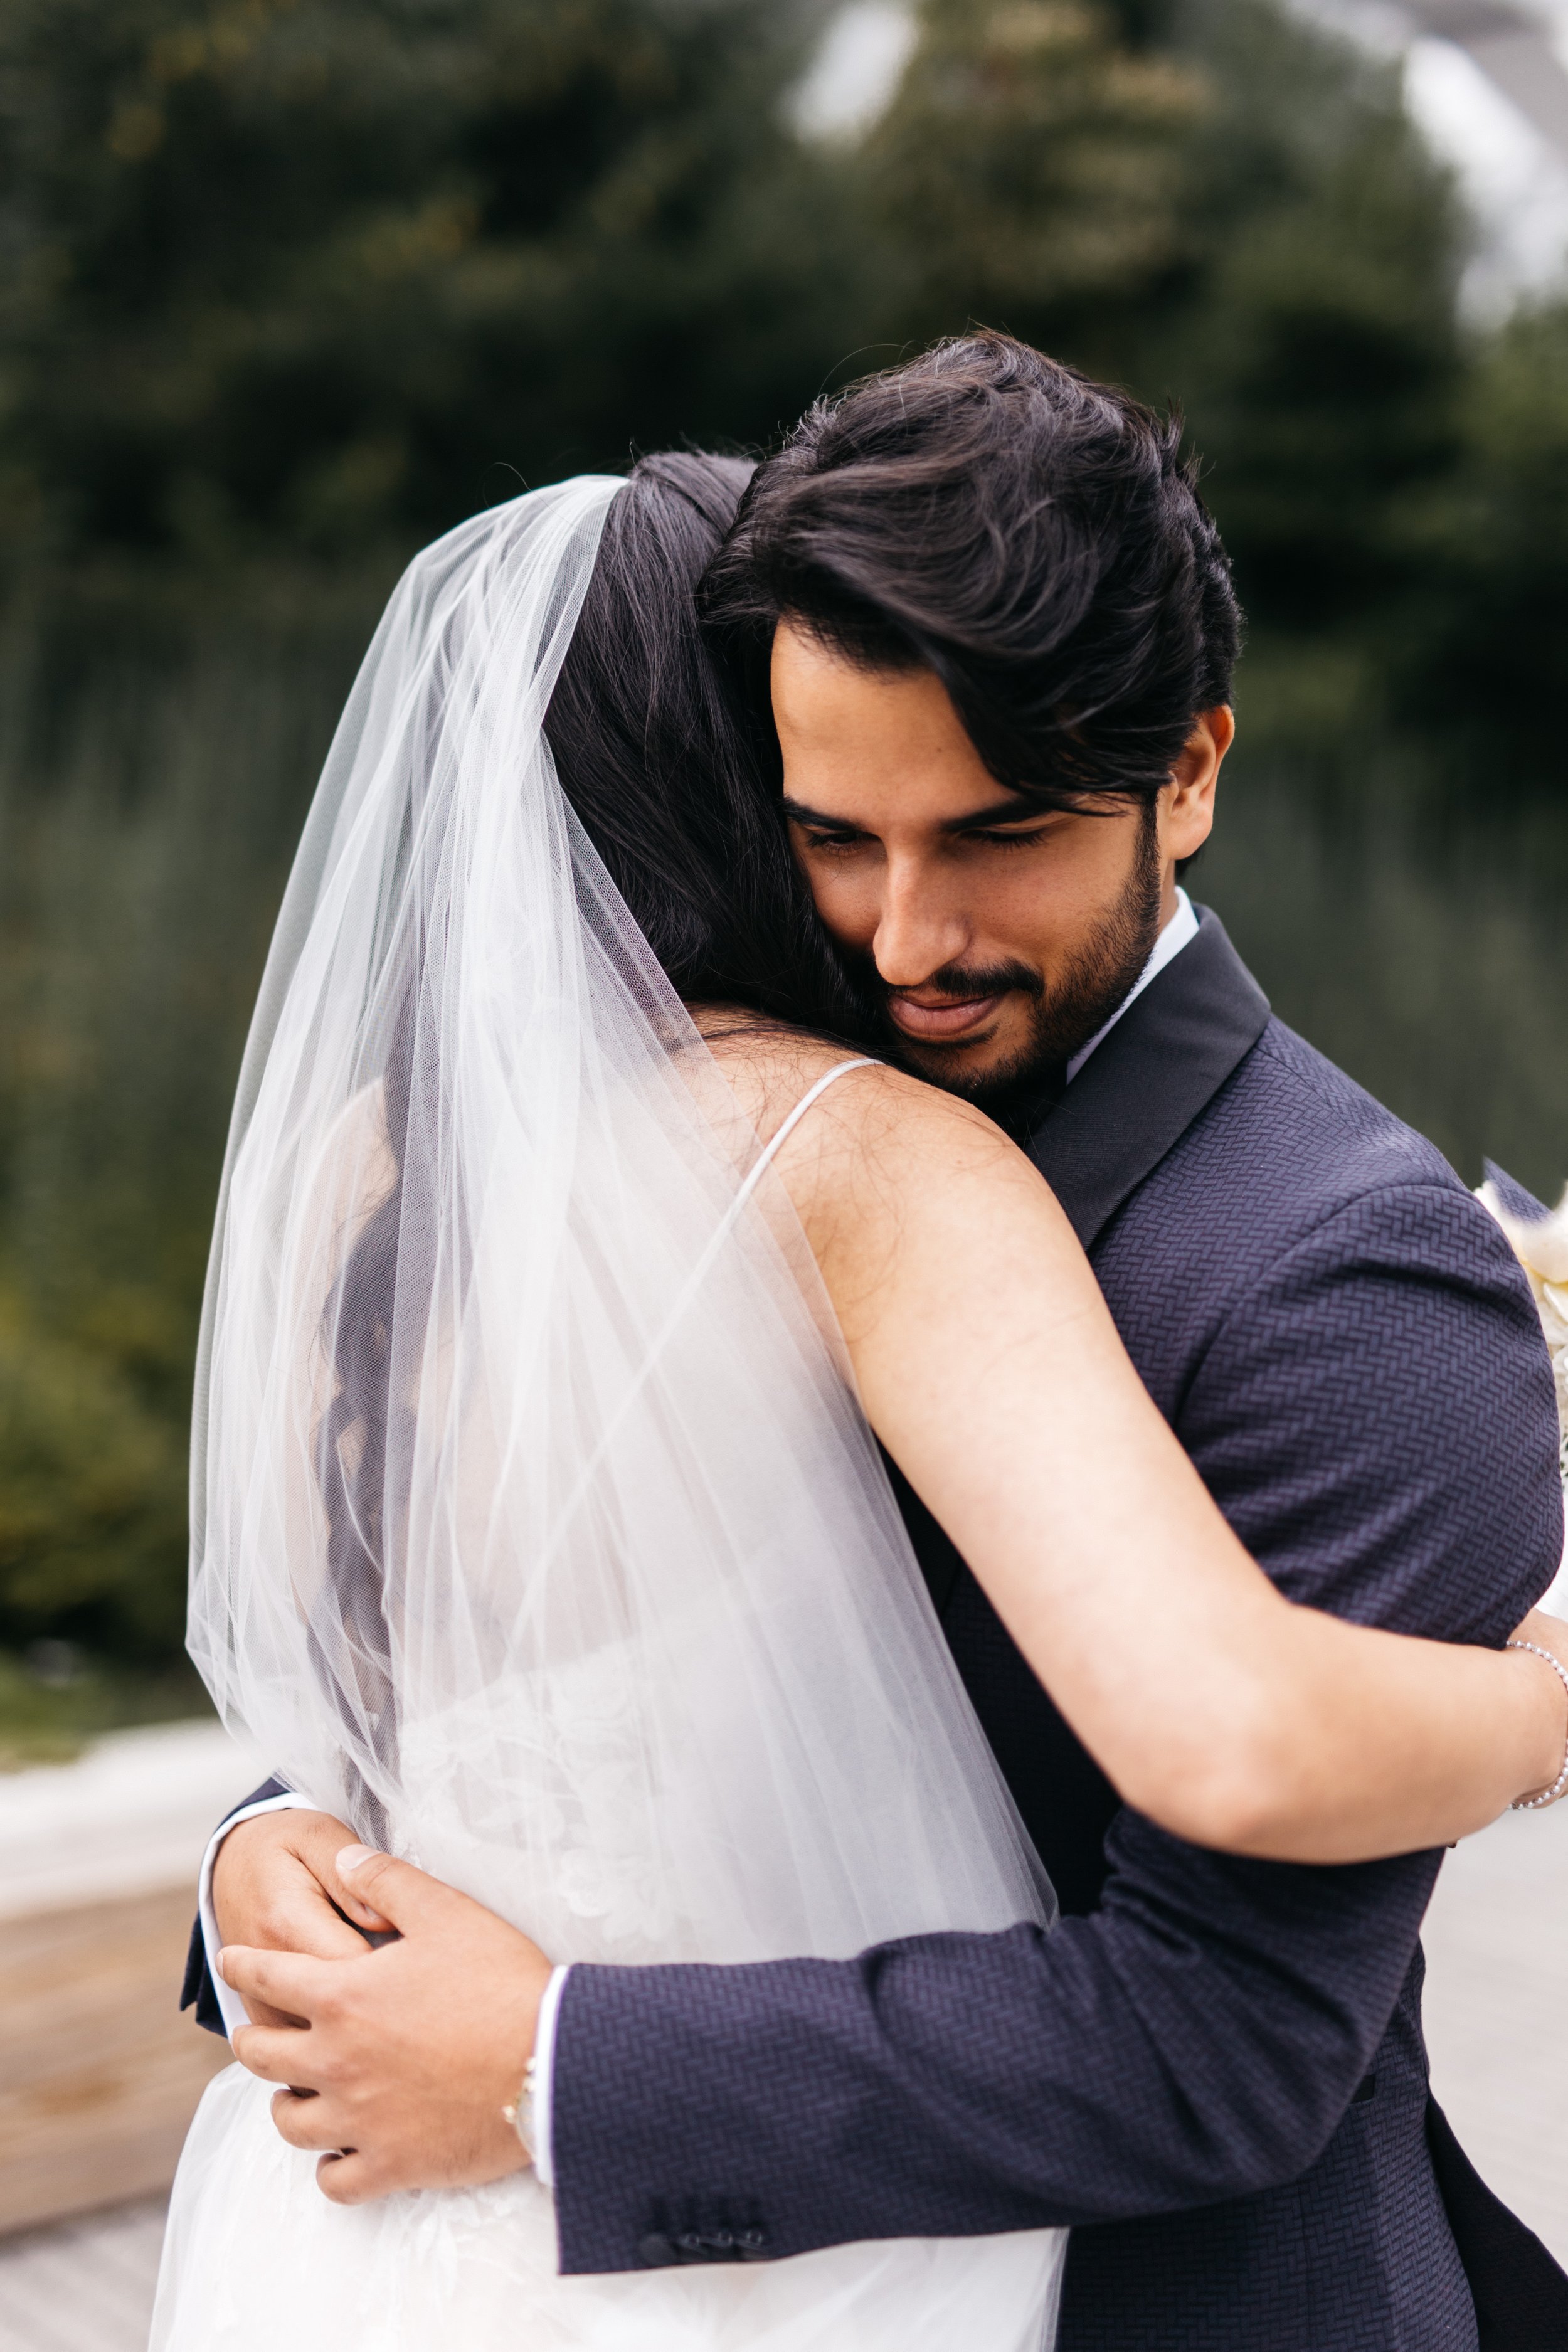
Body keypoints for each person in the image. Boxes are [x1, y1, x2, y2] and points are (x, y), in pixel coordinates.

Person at [171, 350, 1568, 2352]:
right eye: (833, 835)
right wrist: (265, 1875)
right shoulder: (651, 1155)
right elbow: (494, 1692)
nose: (908, 939)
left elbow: (1222, 2042)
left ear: (1189, 769)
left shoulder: (1338, 1273)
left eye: (995, 834)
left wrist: (544, 2065)